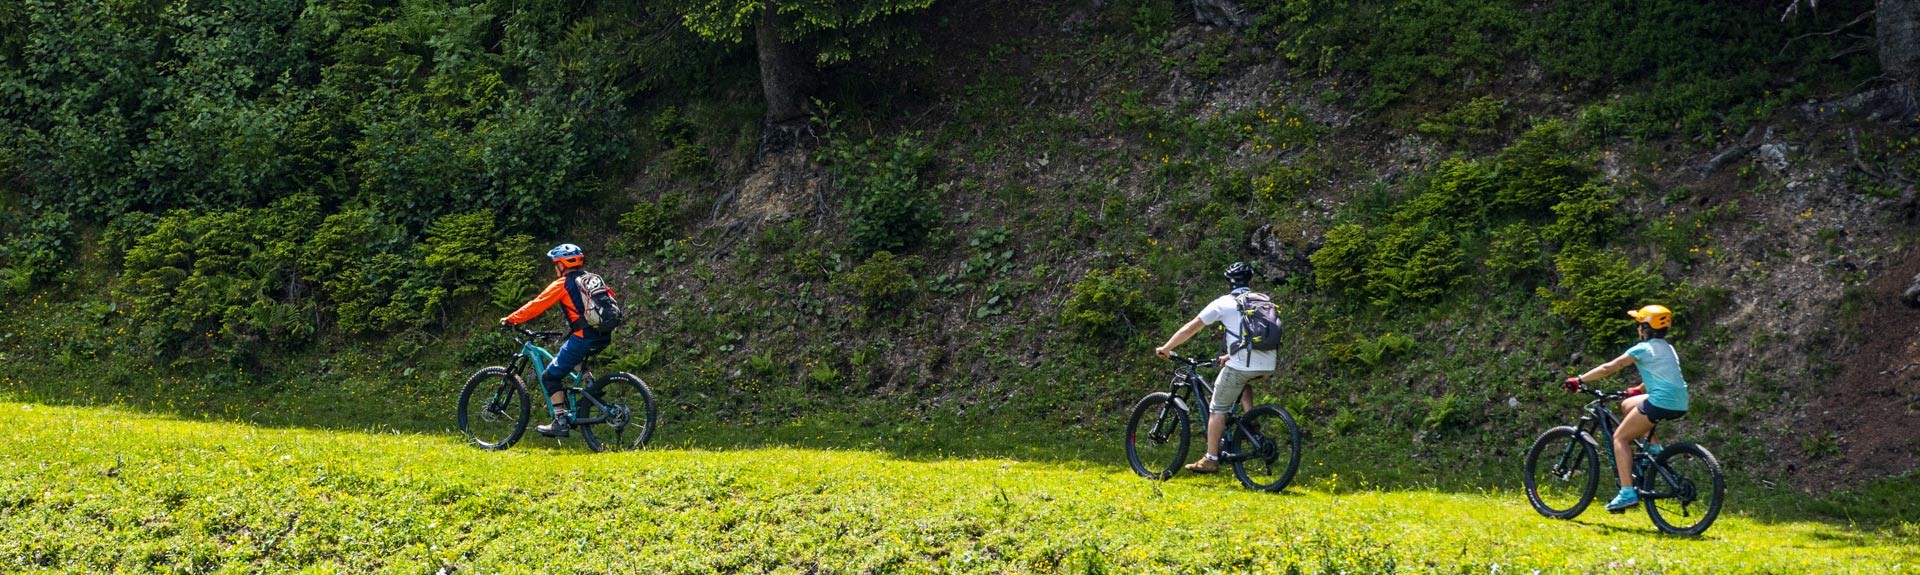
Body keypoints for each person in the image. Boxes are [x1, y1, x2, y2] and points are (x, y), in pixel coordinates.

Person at [1563, 304, 1689, 512]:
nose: (1638, 329)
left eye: (1639, 324)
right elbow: (1663, 376)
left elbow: (1610, 367)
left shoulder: (1642, 349)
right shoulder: (1668, 348)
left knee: (1620, 439)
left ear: (1645, 328)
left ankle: (1627, 492)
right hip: (1679, 401)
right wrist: (1638, 389)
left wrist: (1579, 379)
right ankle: (1654, 449)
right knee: (1628, 404)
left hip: (1660, 401)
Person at [1153, 262, 1275, 473]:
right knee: (1242, 384)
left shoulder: (1223, 303)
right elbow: (1255, 337)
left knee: (1217, 409)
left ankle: (1210, 459)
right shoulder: (1263, 301)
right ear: (1250, 282)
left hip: (1242, 365)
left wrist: (1167, 347)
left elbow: (1191, 328)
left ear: (1229, 283)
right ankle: (1251, 422)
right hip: (1268, 362)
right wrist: (1229, 355)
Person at [500, 243, 615, 437]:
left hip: (583, 337)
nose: (555, 268)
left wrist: (511, 319)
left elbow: (536, 305)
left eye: (555, 264)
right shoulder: (591, 279)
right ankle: (590, 384)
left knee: (550, 376)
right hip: (602, 335)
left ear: (562, 264)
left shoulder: (562, 284)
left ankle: (559, 421)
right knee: (571, 356)